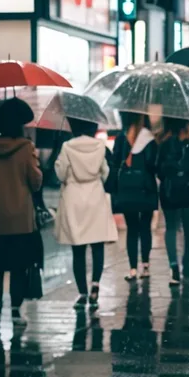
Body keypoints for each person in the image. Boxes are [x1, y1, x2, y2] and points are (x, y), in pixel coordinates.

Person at [54, 117, 117, 309]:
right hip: (95, 198)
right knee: (98, 246)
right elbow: (105, 173)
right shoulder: (99, 146)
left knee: (78, 249)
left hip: (74, 200)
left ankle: (82, 293)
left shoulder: (67, 146)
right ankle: (95, 285)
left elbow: (60, 173)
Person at [0, 98, 43, 329]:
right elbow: (36, 182)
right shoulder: (25, 148)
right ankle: (15, 310)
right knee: (18, 266)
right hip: (21, 220)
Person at [157, 118, 189, 286]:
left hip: (170, 193)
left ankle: (174, 267)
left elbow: (159, 170)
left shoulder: (165, 145)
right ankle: (186, 267)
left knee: (171, 228)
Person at [112, 112, 158, 281]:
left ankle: (132, 269)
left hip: (127, 189)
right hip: (146, 189)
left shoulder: (121, 139)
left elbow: (115, 162)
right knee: (145, 228)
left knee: (132, 229)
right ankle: (145, 266)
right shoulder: (149, 139)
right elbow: (154, 165)